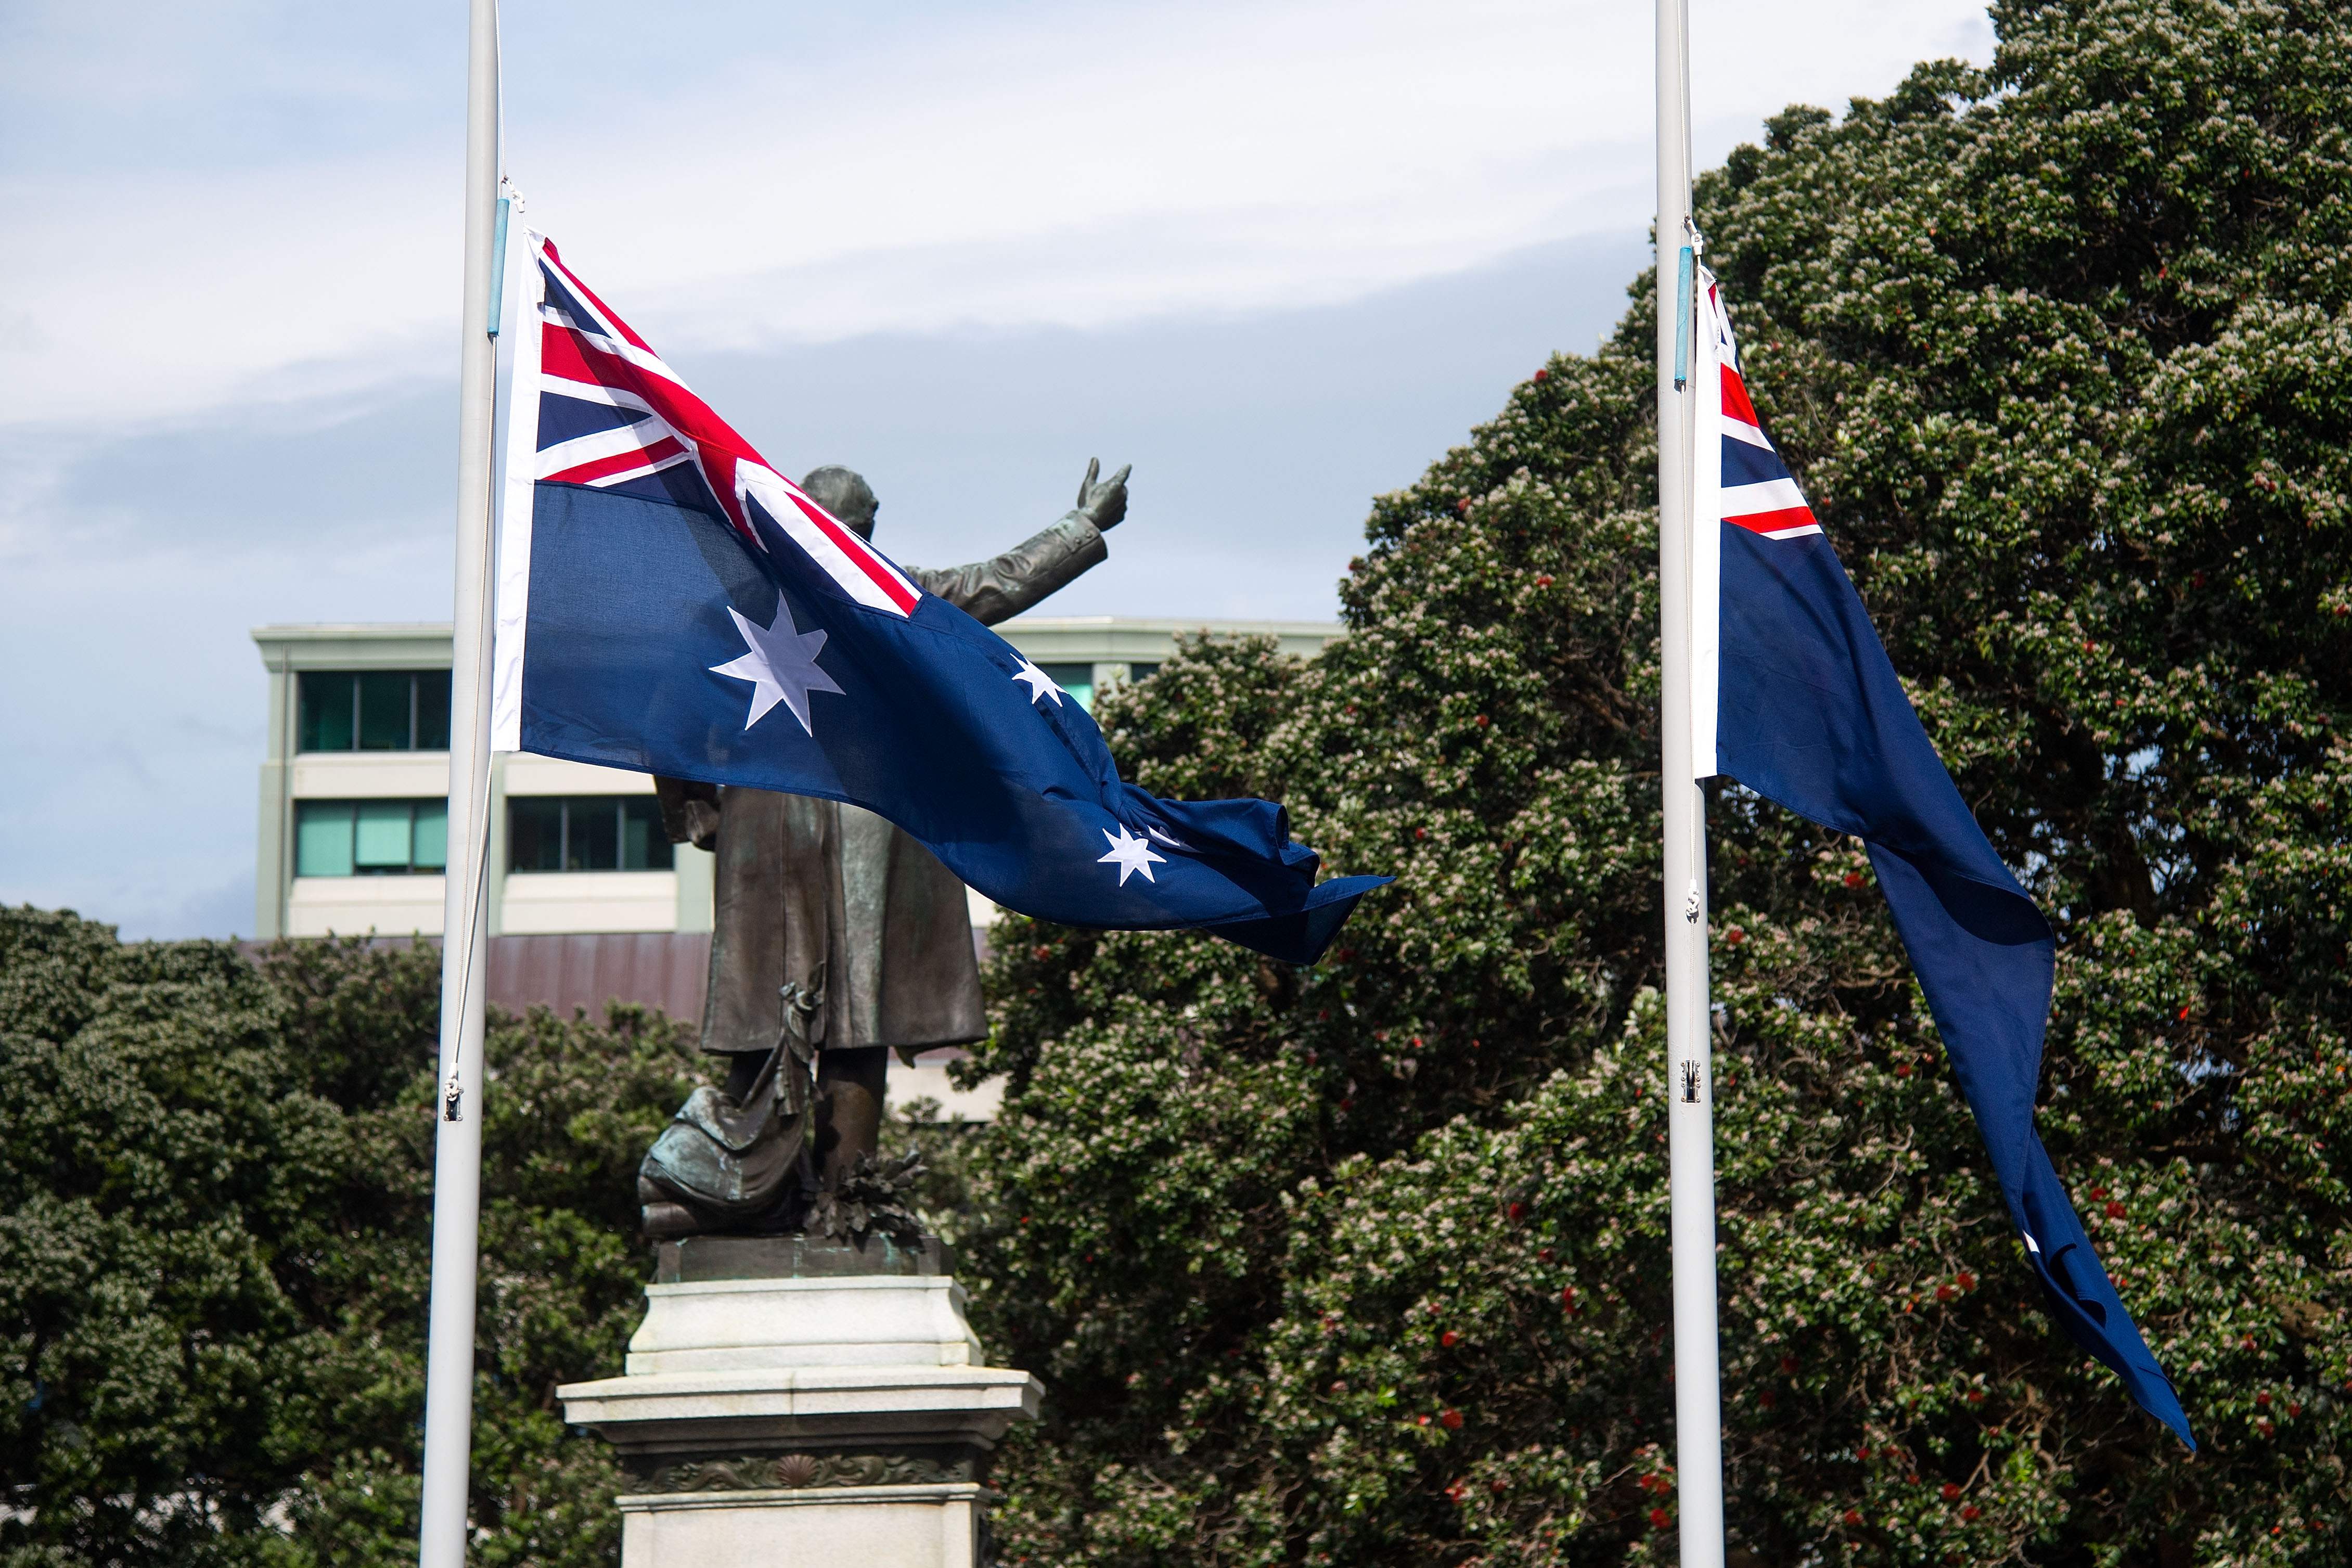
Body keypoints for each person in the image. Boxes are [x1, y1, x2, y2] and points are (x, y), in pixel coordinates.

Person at [638, 459, 1130, 1237]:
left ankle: (780, 1196)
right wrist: (1084, 525)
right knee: (852, 1018)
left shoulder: (736, 605)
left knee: (772, 1014)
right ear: (863, 526)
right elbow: (997, 584)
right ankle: (834, 1199)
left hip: (770, 830)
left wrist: (700, 815)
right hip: (860, 822)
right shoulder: (890, 593)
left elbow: (662, 717)